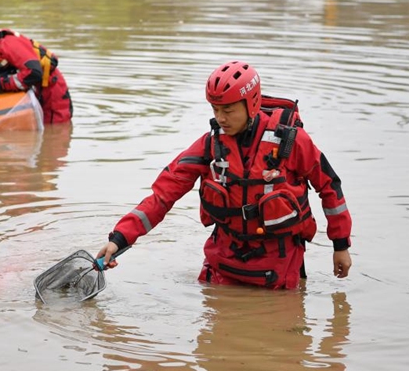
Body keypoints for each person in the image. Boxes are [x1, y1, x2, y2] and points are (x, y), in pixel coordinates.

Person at [96, 60, 353, 289]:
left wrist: (340, 246)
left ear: (251, 103)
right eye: (215, 109)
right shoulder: (210, 145)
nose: (220, 118)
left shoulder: (291, 142)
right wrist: (119, 239)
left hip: (279, 264)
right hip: (222, 262)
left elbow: (330, 187)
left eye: (228, 110)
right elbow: (163, 196)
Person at [0, 18, 73, 125]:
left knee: (55, 134)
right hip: (32, 97)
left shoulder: (7, 44)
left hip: (52, 93)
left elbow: (34, 73)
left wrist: (0, 82)